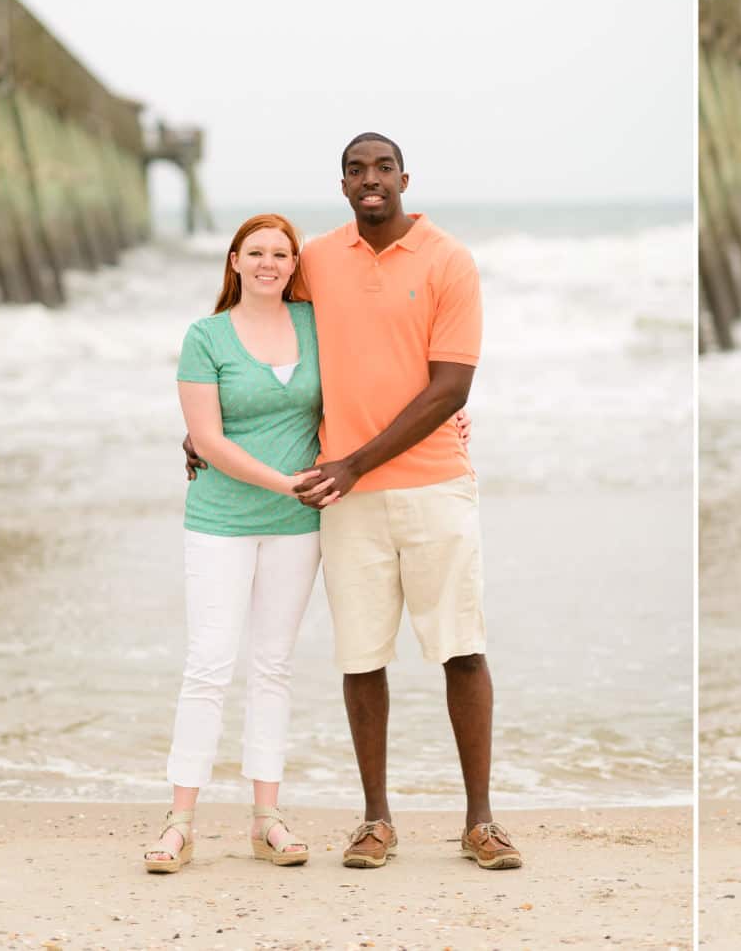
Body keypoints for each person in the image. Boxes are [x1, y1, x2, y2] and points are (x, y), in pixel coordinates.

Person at [185, 133, 519, 871]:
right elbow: (264, 339)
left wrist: (357, 459)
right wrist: (204, 427)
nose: (371, 180)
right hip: (346, 500)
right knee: (361, 657)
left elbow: (450, 387)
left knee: (460, 649)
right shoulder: (319, 262)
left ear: (405, 178)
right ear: (342, 186)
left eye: (383, 168)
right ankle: (375, 821)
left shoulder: (448, 260)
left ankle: (480, 824)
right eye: (356, 170)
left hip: (432, 483)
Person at [145, 213, 337, 873]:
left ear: (293, 265)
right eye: (255, 252)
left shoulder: (316, 325)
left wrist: (450, 412)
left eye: (281, 254)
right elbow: (207, 441)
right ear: (233, 261)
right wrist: (287, 484)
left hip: (297, 529)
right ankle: (180, 822)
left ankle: (267, 819)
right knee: (208, 665)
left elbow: (369, 383)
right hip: (221, 522)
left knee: (273, 667)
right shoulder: (206, 336)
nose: (268, 263)